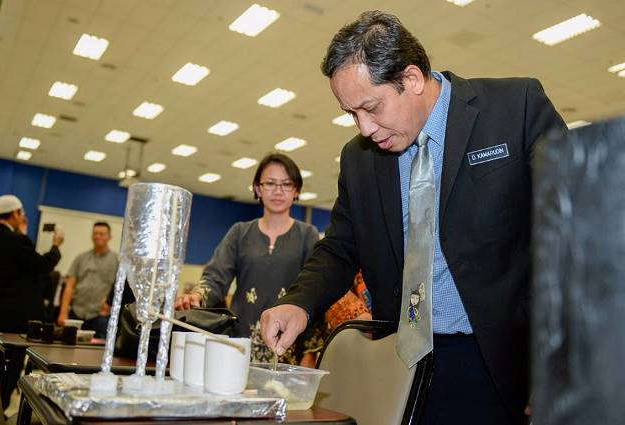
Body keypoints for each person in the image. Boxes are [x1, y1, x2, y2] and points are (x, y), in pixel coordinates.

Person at [260, 11, 566, 425]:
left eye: (371, 107)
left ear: (412, 78)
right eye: (352, 113)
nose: (364, 128)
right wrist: (299, 302)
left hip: (502, 362)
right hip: (401, 365)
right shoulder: (359, 159)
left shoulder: (515, 109)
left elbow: (575, 231)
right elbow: (340, 246)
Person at [176, 153, 319, 364]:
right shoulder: (239, 232)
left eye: (286, 184)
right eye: (270, 183)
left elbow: (313, 292)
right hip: (238, 344)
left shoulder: (308, 235)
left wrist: (310, 353)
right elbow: (216, 277)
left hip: (287, 347)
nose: (278, 191)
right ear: (258, 189)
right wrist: (197, 295)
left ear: (296, 190)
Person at [0, 194, 63, 407]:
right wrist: (56, 246)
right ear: (15, 213)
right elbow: (43, 265)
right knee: (14, 362)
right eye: (21, 213)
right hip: (19, 317)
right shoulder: (18, 241)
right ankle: (0, 405)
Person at [57, 222, 118, 338]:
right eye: (95, 233)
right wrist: (63, 312)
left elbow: (120, 288)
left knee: (98, 348)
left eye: (102, 234)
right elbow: (69, 286)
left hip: (101, 316)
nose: (98, 236)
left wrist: (110, 303)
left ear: (109, 237)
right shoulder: (81, 258)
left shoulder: (117, 260)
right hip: (77, 313)